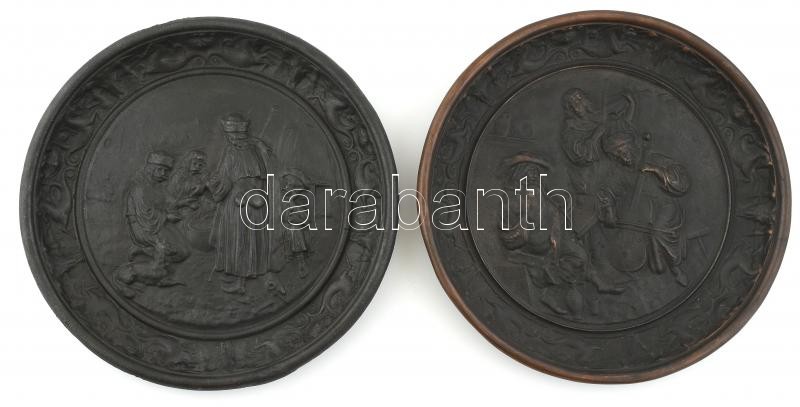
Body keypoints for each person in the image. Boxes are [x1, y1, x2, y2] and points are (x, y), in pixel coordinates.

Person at [207, 113, 275, 294]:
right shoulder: (254, 151)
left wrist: (211, 185)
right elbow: (260, 180)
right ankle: (245, 278)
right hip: (256, 201)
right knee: (250, 239)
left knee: (240, 239)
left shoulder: (231, 151)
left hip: (238, 202)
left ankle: (240, 283)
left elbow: (225, 180)